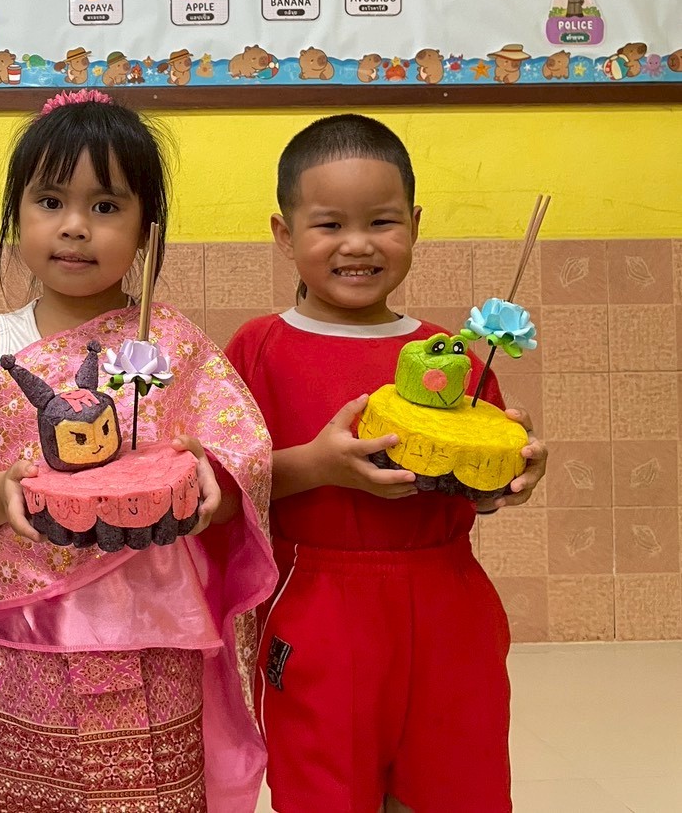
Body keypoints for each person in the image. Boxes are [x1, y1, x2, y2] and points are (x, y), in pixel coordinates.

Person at [0, 88, 276, 812]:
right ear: (16, 216)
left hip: (152, 630)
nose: (74, 226)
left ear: (146, 229)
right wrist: (1, 493)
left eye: (104, 205)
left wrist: (209, 486)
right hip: (22, 629)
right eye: (50, 201)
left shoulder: (170, 342)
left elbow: (237, 466)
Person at [226, 114, 548, 813]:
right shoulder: (258, 348)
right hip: (317, 602)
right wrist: (316, 466)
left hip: (449, 601)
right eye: (328, 224)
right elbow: (219, 490)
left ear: (415, 225)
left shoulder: (450, 354)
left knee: (458, 785)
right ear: (284, 234)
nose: (358, 244)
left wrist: (508, 478)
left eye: (382, 221)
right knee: (325, 791)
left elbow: (476, 490)